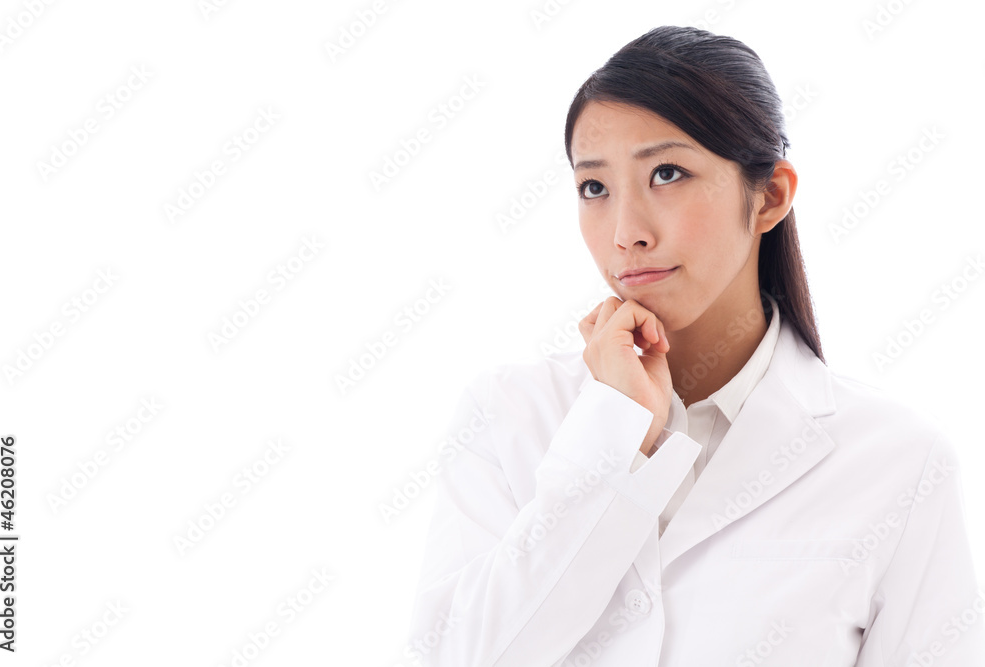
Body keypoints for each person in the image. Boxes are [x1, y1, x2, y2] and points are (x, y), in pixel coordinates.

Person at [406, 25, 984, 666]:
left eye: (668, 173)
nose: (626, 233)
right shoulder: (509, 415)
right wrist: (611, 435)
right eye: (594, 187)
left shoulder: (898, 461)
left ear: (768, 196)